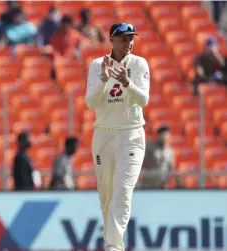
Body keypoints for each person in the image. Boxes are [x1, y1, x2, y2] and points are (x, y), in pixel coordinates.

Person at [85, 22, 150, 251]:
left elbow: (143, 100)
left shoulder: (139, 63)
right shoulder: (97, 65)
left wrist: (127, 83)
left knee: (123, 191)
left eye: (131, 38)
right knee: (106, 196)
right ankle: (111, 243)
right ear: (112, 39)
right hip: (104, 136)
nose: (128, 43)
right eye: (123, 38)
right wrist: (104, 79)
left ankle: (114, 246)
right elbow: (91, 102)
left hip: (131, 135)